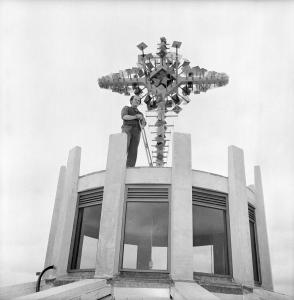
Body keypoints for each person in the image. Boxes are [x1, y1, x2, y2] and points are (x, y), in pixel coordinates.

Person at [121, 95, 146, 167]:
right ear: (131, 101)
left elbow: (143, 124)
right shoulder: (126, 108)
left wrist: (142, 119)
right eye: (136, 100)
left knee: (133, 151)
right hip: (127, 128)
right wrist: (135, 117)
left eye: (138, 101)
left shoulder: (140, 113)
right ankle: (119, 165)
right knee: (124, 147)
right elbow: (124, 117)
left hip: (137, 131)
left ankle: (130, 168)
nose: (137, 101)